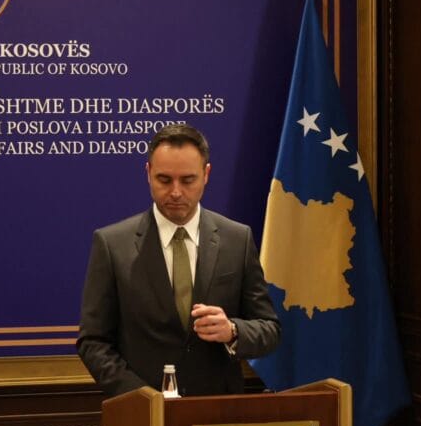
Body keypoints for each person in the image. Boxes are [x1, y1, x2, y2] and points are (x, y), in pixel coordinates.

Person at [77, 123, 280, 397]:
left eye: (187, 180)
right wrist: (141, 396)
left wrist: (232, 330)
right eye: (164, 180)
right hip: (142, 410)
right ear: (148, 173)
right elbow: (93, 342)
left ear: (206, 175)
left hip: (218, 409)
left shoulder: (237, 239)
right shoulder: (112, 244)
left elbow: (269, 329)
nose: (175, 192)